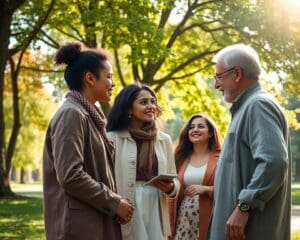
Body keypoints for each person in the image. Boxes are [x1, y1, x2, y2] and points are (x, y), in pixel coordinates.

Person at [43, 43, 134, 240]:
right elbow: (71, 176)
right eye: (109, 77)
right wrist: (114, 202)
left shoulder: (88, 115)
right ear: (90, 78)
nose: (113, 83)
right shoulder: (72, 114)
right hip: (79, 227)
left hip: (93, 222)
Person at [207, 43, 291, 240]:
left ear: (237, 74)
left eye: (219, 76)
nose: (216, 85)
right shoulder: (247, 107)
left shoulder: (258, 106)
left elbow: (275, 162)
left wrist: (244, 206)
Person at [107, 84, 180, 240]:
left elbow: (175, 180)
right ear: (128, 109)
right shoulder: (112, 138)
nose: (151, 106)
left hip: (155, 206)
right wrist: (114, 205)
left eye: (153, 102)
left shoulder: (163, 140)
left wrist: (171, 187)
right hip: (126, 204)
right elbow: (105, 179)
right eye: (144, 102)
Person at [168, 113, 222, 240]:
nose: (195, 130)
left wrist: (207, 189)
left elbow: (230, 189)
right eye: (191, 127)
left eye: (200, 126)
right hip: (183, 219)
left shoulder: (221, 158)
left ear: (210, 133)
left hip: (210, 218)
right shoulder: (180, 157)